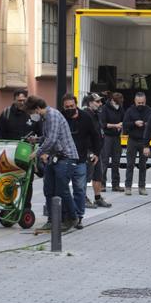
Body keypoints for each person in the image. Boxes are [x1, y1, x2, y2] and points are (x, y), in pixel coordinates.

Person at [26, 95, 79, 232]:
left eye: (32, 113)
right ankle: (52, 220)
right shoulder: (45, 118)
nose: (32, 116)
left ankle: (72, 217)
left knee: (62, 190)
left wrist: (36, 153)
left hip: (66, 157)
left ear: (37, 109)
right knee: (48, 189)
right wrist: (36, 139)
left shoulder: (53, 115)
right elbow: (47, 137)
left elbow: (52, 140)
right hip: (54, 158)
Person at [0, 89, 42, 211]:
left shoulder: (33, 114)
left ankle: (26, 208)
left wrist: (38, 148)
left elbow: (41, 134)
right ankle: (8, 206)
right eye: (19, 100)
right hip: (9, 155)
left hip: (26, 154)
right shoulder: (6, 113)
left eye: (23, 100)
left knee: (27, 182)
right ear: (14, 100)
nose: (21, 102)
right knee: (9, 181)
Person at [61, 94, 99, 229]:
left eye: (72, 106)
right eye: (67, 107)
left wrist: (96, 153)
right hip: (64, 159)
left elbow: (95, 136)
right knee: (62, 189)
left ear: (76, 105)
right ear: (63, 107)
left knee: (79, 189)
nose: (70, 109)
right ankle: (67, 215)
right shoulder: (62, 117)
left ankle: (78, 217)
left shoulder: (85, 117)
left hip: (80, 158)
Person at [82, 93, 110, 209]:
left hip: (98, 151)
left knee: (98, 176)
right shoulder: (85, 115)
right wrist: (90, 151)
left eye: (100, 101)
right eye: (97, 102)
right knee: (84, 176)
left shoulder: (96, 114)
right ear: (90, 103)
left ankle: (98, 198)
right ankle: (82, 198)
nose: (100, 104)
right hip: (89, 151)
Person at [122, 92, 151, 196]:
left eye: (142, 102)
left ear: (145, 101)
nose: (140, 104)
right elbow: (125, 124)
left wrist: (146, 124)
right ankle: (128, 187)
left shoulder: (150, 111)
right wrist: (134, 123)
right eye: (138, 102)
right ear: (135, 101)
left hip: (145, 141)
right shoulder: (130, 111)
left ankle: (142, 187)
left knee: (143, 165)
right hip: (132, 140)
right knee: (130, 164)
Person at [99, 92, 125, 192]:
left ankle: (116, 185)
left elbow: (124, 119)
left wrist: (121, 125)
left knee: (116, 161)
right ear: (113, 101)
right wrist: (116, 125)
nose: (119, 105)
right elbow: (103, 124)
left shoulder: (121, 108)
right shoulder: (105, 108)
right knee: (104, 161)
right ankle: (102, 184)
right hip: (107, 137)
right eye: (117, 102)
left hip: (116, 137)